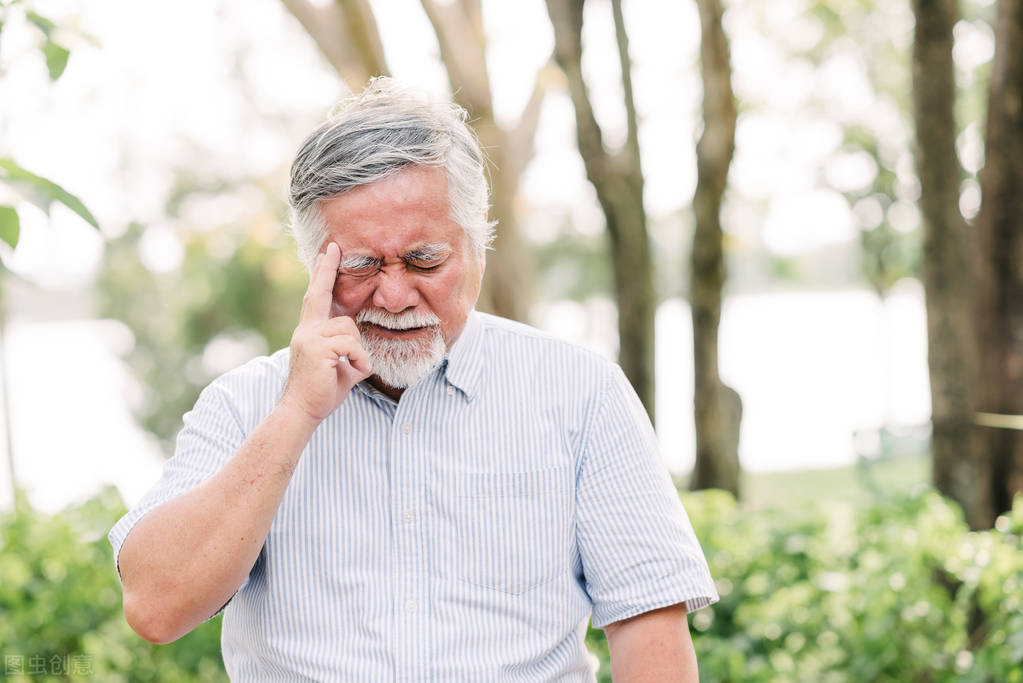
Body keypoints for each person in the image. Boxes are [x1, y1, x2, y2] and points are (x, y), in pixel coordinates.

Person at [110, 78, 718, 681]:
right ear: (313, 262)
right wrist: (296, 413)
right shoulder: (245, 405)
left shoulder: (580, 392)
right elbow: (156, 608)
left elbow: (649, 629)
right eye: (360, 265)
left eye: (425, 260)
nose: (396, 295)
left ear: (477, 239)